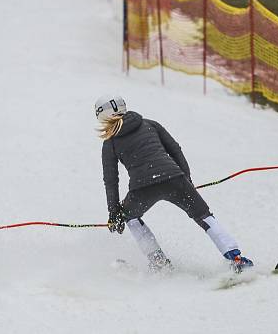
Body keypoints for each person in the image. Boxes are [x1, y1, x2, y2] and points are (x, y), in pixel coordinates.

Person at [96, 94, 253, 273]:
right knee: (204, 216)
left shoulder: (110, 143)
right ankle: (236, 258)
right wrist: (187, 179)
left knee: (130, 218)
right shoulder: (150, 124)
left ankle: (160, 263)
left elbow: (110, 180)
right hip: (175, 179)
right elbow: (175, 149)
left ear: (102, 116)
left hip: (142, 188)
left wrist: (115, 212)